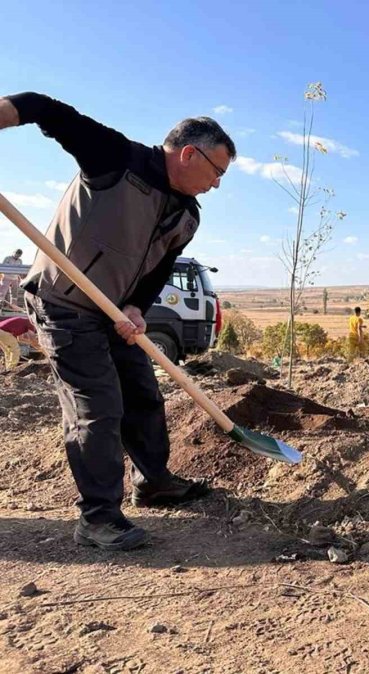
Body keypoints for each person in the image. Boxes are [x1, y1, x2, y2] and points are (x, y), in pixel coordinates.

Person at [0, 92, 236, 551]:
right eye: (217, 172)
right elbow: (43, 109)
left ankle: (154, 481)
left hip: (115, 312)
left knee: (143, 395)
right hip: (65, 303)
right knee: (98, 406)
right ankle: (98, 517)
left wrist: (136, 309)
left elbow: (159, 268)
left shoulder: (187, 214)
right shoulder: (116, 159)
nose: (217, 184)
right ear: (190, 153)